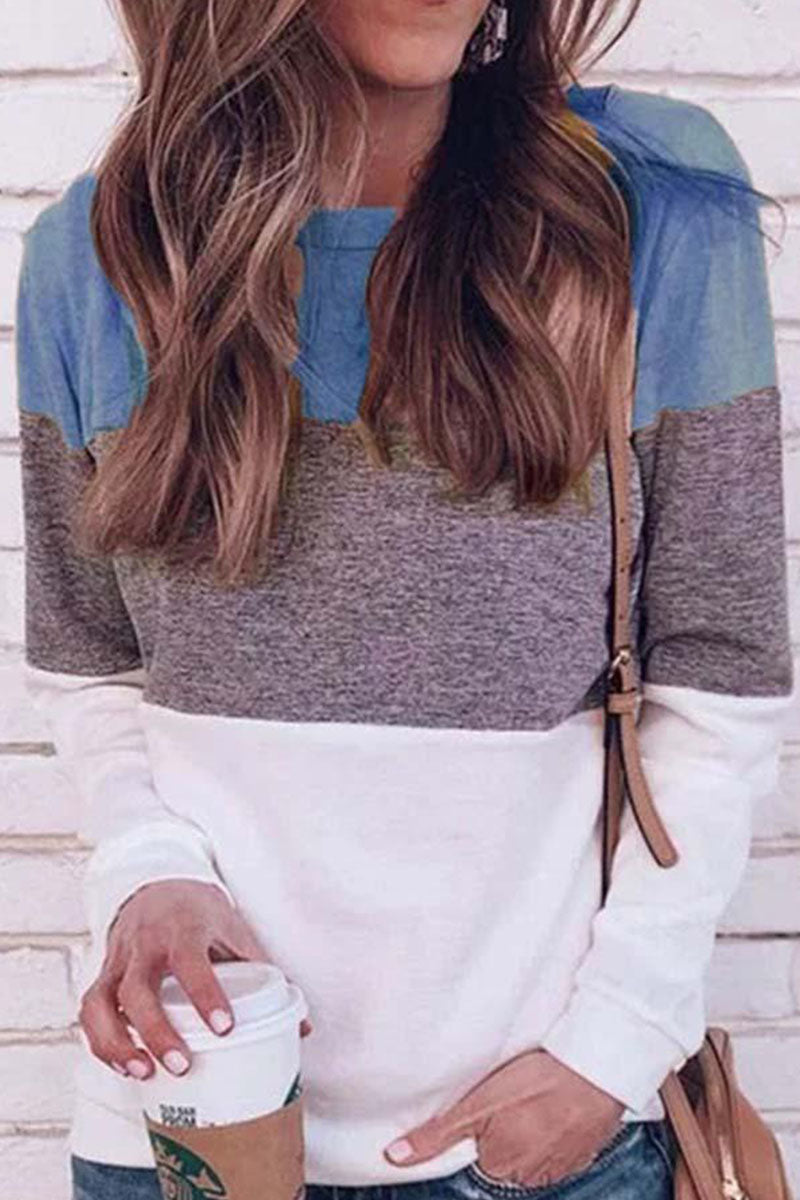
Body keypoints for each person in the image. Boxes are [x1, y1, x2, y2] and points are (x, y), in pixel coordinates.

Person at [15, 1, 794, 1198]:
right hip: (183, 1132)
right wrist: (146, 866)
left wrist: (612, 1046)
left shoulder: (643, 211)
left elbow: (718, 676)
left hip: (541, 1142)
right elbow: (92, 666)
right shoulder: (100, 252)